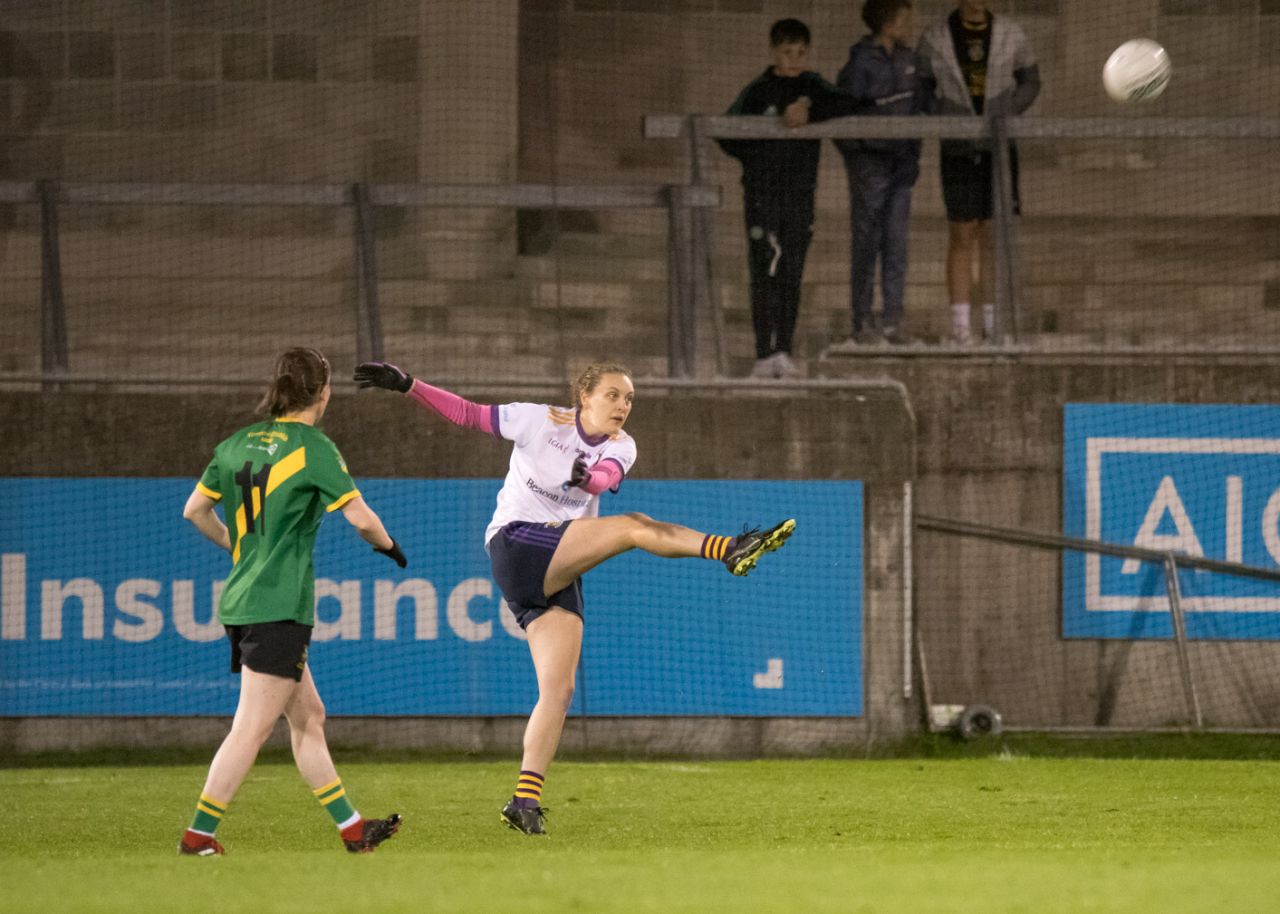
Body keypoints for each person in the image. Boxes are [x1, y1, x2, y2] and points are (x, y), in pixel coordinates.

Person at [353, 359, 796, 836]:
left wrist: (587, 480)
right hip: (517, 544)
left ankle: (523, 800)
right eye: (612, 394)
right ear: (584, 396)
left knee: (559, 691)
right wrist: (408, 384)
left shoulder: (622, 445)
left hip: (558, 564)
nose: (622, 405)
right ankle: (728, 548)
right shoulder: (538, 419)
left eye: (628, 398)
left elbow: (603, 478)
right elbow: (467, 414)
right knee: (634, 526)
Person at [178, 347, 406, 856]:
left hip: (242, 600)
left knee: (309, 717)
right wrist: (389, 546)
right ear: (324, 393)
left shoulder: (234, 445)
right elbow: (362, 519)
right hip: (278, 606)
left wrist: (238, 544)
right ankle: (198, 837)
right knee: (251, 729)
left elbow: (194, 510)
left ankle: (352, 830)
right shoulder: (312, 448)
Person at [718, 18, 859, 379]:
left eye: (800, 52)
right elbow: (726, 130)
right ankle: (763, 352)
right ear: (773, 51)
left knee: (792, 272)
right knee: (764, 270)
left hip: (800, 196)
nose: (793, 59)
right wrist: (764, 147)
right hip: (762, 197)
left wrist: (812, 112)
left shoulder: (812, 86)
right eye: (786, 52)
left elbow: (849, 103)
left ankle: (785, 350)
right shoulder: (757, 90)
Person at [918, 0, 1039, 344]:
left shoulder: (1012, 34)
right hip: (957, 147)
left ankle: (991, 321)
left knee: (992, 234)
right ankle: (960, 325)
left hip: (999, 147)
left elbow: (1031, 79)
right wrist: (944, 113)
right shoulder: (935, 36)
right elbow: (922, 86)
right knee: (961, 232)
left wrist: (1009, 109)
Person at [833, 0, 925, 348]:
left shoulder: (910, 60)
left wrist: (912, 150)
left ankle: (893, 320)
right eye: (904, 18)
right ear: (888, 22)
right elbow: (844, 113)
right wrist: (859, 155)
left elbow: (920, 106)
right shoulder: (860, 63)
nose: (909, 23)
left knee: (896, 242)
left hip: (901, 165)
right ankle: (862, 321)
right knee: (867, 241)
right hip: (870, 166)